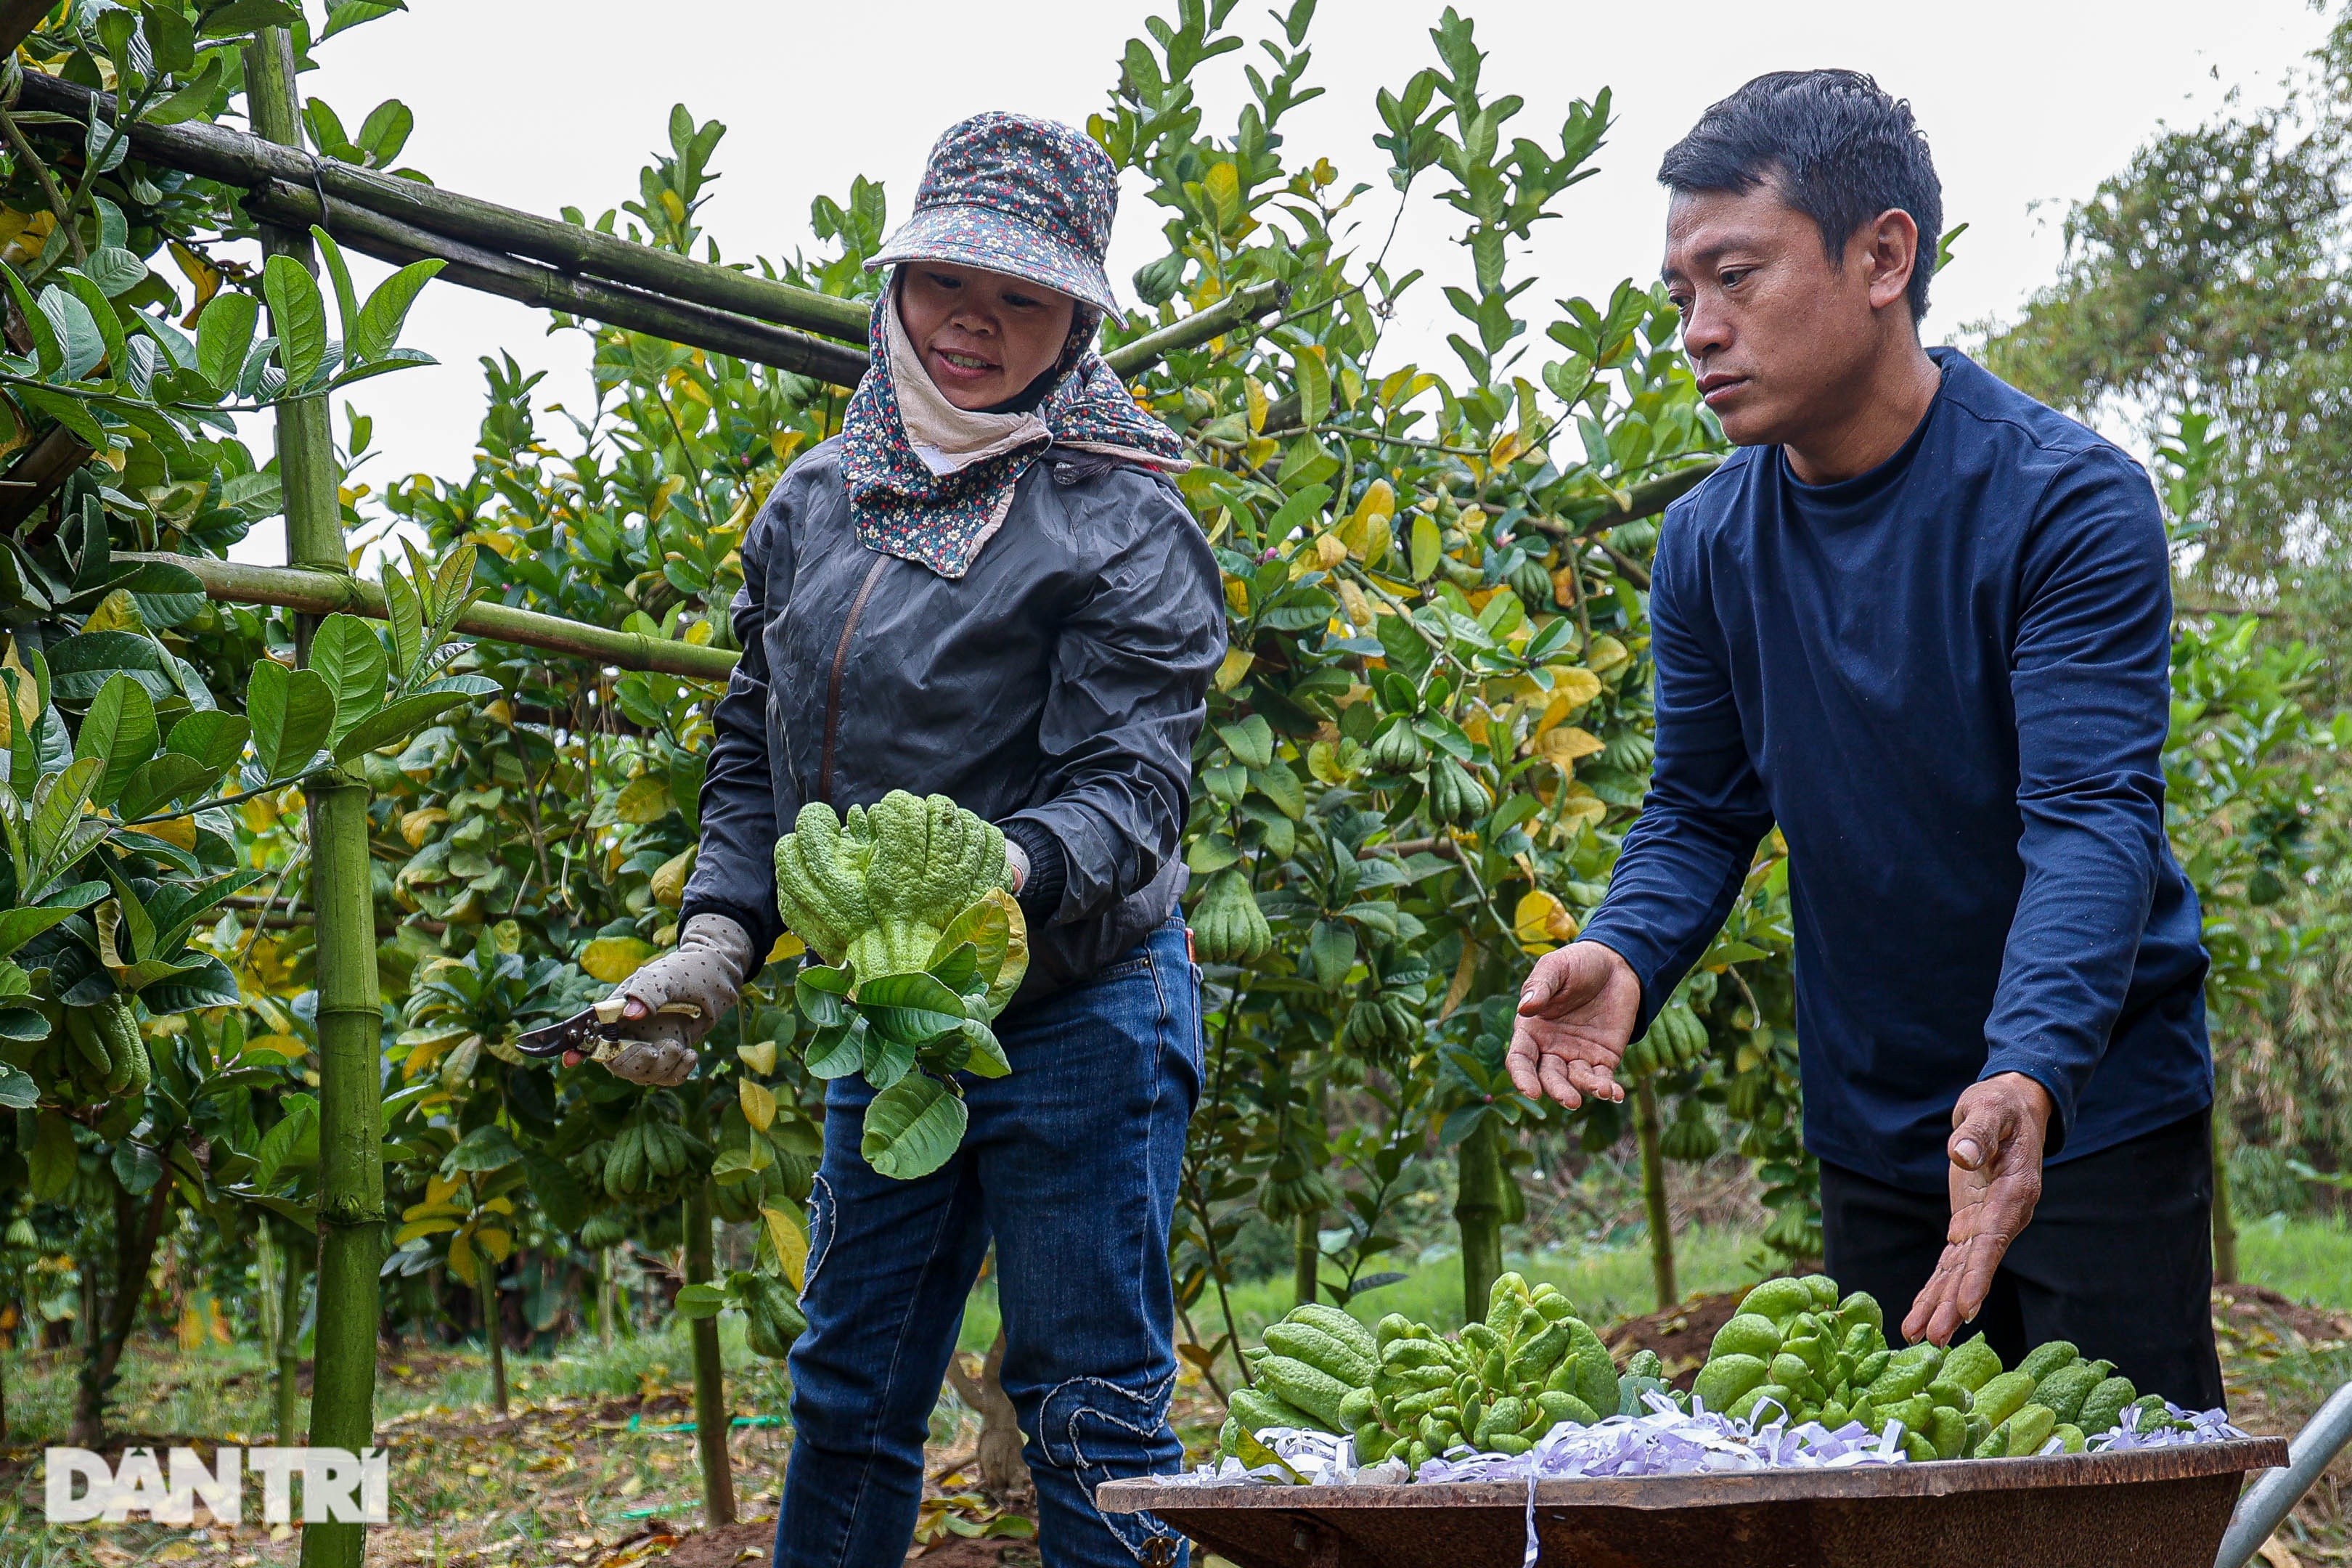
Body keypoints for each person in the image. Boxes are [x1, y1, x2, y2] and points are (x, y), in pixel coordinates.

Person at [1506, 71, 2224, 1408]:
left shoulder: (2063, 505)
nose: (1699, 332)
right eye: (1681, 298)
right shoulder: (1708, 545)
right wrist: (1625, 950)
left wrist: (2028, 1074)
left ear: (1883, 255)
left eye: (1736, 278)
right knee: (1903, 1486)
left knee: (2116, 1488)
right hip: (1880, 1122)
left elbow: (2090, 819)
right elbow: (1700, 811)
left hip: (2088, 1106)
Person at [572, 113, 1225, 1567]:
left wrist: (992, 874)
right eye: (949, 285)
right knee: (850, 1385)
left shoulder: (1122, 520)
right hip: (899, 1025)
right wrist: (719, 935)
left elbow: (1131, 785)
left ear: (1073, 324)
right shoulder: (815, 504)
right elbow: (756, 739)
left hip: (1082, 1010)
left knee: (1087, 1399)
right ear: (899, 283)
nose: (976, 325)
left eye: (1023, 300)